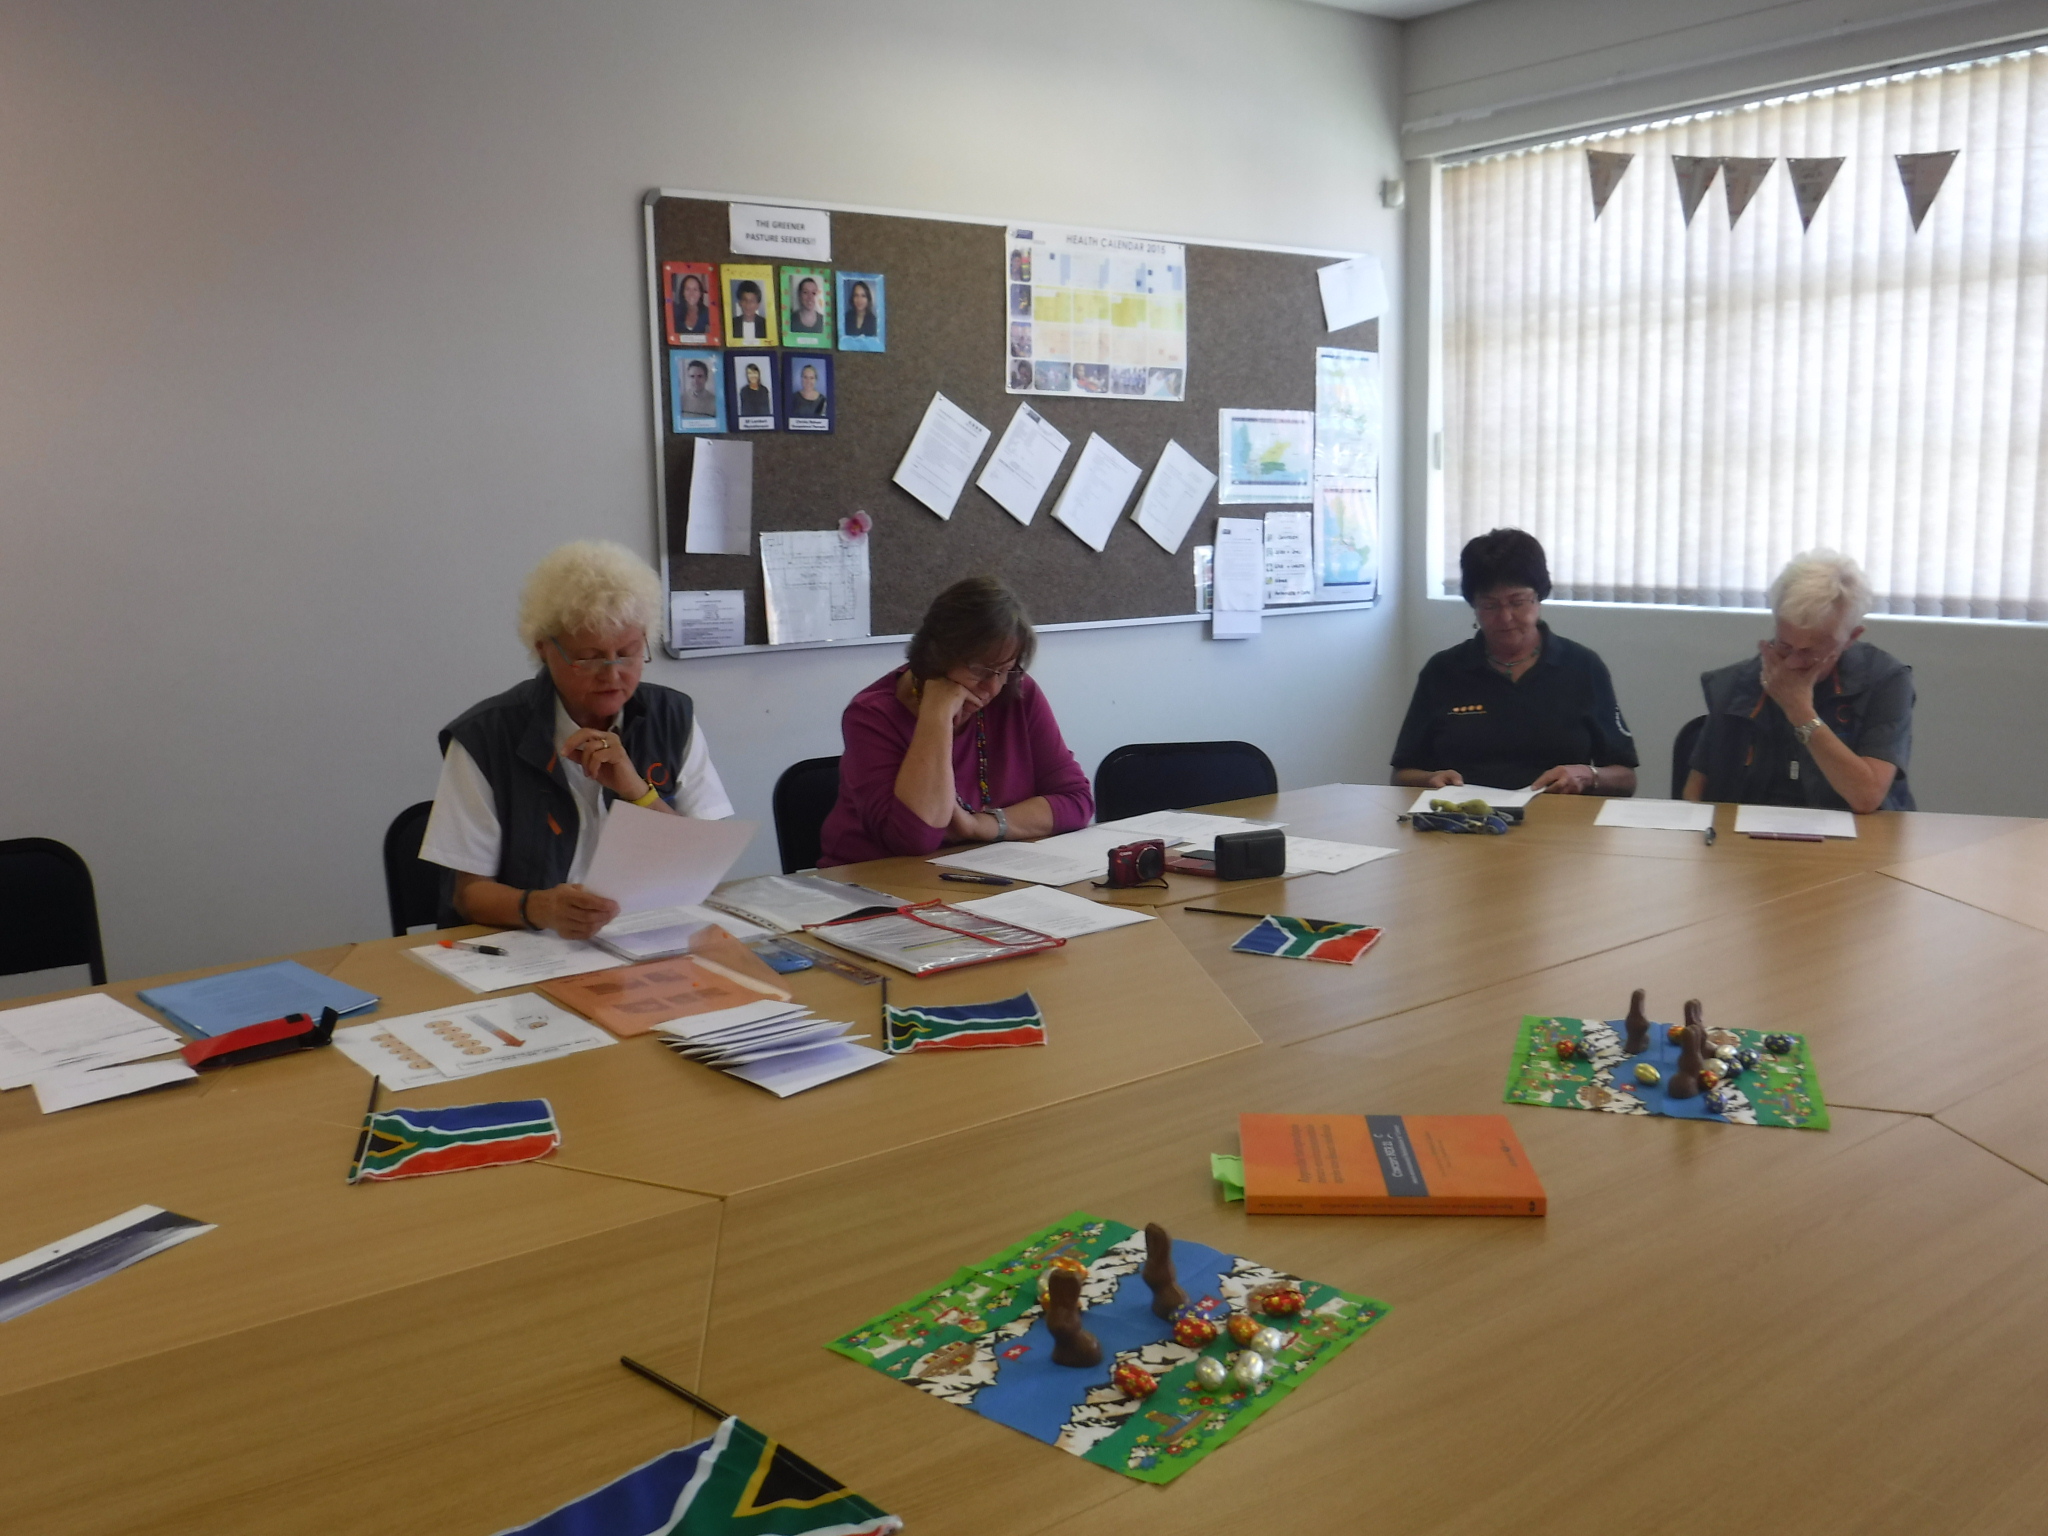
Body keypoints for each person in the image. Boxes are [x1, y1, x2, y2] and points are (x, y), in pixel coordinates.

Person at [420, 540, 732, 938]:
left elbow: (703, 865)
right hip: (530, 945)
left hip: (645, 936)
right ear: (544, 651)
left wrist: (638, 793)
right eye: (589, 656)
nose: (612, 674)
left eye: (628, 652)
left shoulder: (672, 717)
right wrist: (542, 907)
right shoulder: (486, 736)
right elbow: (468, 894)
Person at [819, 576, 1093, 864]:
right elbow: (914, 838)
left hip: (979, 869)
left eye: (1004, 670)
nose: (992, 687)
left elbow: (1076, 801)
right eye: (980, 670)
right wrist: (936, 716)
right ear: (937, 658)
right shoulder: (871, 715)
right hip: (872, 877)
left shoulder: (1018, 694)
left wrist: (979, 826)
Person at [1392, 528, 1638, 795]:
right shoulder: (1443, 671)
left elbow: (1626, 778)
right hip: (1465, 815)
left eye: (1517, 602)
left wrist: (1588, 775)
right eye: (1490, 605)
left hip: (1559, 814)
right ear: (1473, 606)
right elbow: (1402, 774)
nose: (1506, 617)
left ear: (1539, 598)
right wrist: (1430, 779)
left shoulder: (1582, 667)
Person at [1683, 549, 1913, 813]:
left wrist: (1800, 712)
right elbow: (1696, 790)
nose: (1792, 662)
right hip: (1751, 833)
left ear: (1851, 638)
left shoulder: (1886, 681)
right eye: (1784, 645)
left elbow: (1866, 796)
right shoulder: (1738, 683)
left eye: (1810, 652)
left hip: (1857, 834)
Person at [670, 271, 710, 337]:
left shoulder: (707, 312)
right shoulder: (674, 310)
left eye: (695, 289)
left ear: (700, 293)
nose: (691, 293)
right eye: (687, 289)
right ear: (682, 292)